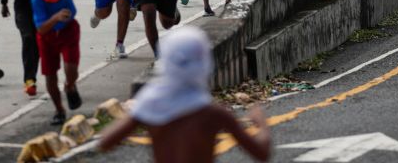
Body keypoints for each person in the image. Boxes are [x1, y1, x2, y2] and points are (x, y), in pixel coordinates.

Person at [99, 26, 271, 163]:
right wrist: (261, 123)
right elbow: (261, 153)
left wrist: (136, 111)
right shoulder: (214, 113)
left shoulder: (151, 104)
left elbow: (106, 142)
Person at [31, 0, 81, 125]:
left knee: (71, 68)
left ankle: (70, 85)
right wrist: (55, 17)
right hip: (47, 36)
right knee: (50, 75)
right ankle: (59, 110)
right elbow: (40, 29)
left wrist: (68, 1)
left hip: (68, 30)